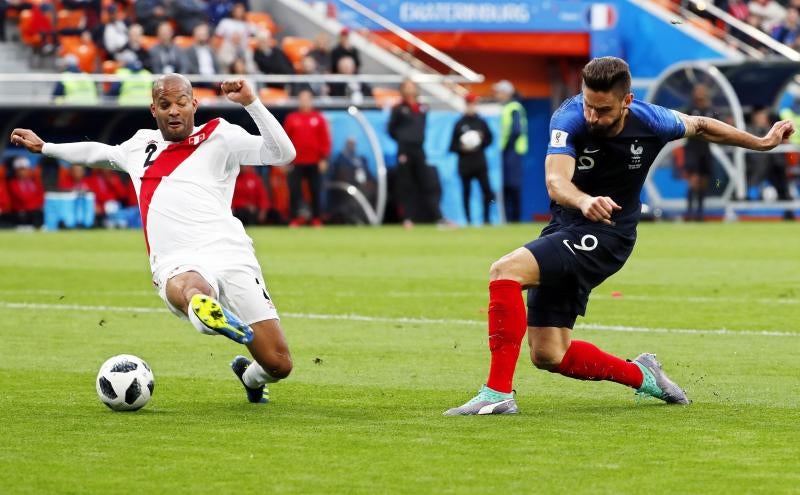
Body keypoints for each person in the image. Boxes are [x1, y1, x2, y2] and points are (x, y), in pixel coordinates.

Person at [444, 56, 794, 416]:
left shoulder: (652, 120)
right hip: (569, 226)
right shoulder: (570, 118)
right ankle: (644, 376)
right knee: (549, 354)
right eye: (588, 105)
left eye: (603, 109)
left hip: (609, 236)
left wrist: (762, 142)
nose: (593, 116)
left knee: (505, 271)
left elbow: (702, 125)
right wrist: (584, 200)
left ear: (626, 101)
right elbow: (555, 181)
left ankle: (496, 394)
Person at [11, 74, 298, 404]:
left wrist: (251, 103)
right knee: (192, 286)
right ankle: (203, 311)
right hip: (177, 258)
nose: (173, 111)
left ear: (194, 104)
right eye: (165, 105)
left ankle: (249, 376)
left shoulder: (222, 136)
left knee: (278, 364)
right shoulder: (138, 146)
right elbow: (96, 152)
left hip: (232, 254)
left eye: (180, 103)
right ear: (153, 109)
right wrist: (45, 146)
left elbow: (283, 153)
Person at [388, 79, 445, 228]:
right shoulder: (398, 109)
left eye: (412, 86)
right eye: (406, 87)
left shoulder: (422, 108)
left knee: (428, 183)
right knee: (406, 185)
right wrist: (403, 142)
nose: (409, 90)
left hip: (419, 149)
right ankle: (407, 218)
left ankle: (438, 217)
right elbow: (391, 130)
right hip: (404, 150)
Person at [283, 88, 331, 227]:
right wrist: (284, 160)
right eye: (302, 98)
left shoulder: (319, 118)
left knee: (315, 190)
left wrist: (323, 158)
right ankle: (294, 218)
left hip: (314, 161)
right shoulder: (292, 118)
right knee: (294, 190)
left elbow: (325, 140)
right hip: (296, 162)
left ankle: (316, 218)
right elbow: (285, 139)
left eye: (307, 99)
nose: (304, 101)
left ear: (311, 101)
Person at [449, 93, 494, 225]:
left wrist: (480, 141)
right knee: (466, 191)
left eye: (473, 104)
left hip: (479, 162)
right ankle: (468, 220)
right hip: (465, 163)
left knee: (486, 190)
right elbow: (452, 146)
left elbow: (489, 139)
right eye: (469, 104)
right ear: (465, 105)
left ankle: (487, 219)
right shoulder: (459, 123)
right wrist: (462, 148)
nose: (471, 107)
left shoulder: (481, 122)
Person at [747, 108, 794, 219]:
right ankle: (751, 211)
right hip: (758, 166)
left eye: (763, 116)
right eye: (759, 116)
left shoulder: (773, 130)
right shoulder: (750, 130)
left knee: (783, 188)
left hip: (776, 164)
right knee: (755, 187)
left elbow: (784, 145)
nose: (762, 119)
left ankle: (788, 213)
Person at [494, 79, 527, 223]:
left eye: (499, 92)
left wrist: (505, 147)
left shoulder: (513, 107)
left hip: (512, 151)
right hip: (508, 151)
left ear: (506, 93)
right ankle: (508, 219)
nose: (496, 95)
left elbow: (516, 130)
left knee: (513, 186)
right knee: (507, 186)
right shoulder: (506, 107)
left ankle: (515, 219)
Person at [683, 84, 715, 221]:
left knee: (704, 181)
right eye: (698, 91)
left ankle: (700, 213)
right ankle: (690, 213)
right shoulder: (690, 109)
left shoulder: (710, 110)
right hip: (692, 150)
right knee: (694, 180)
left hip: (705, 150)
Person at [327, 136, 376, 224]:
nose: (352, 146)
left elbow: (368, 174)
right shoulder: (341, 158)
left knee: (370, 190)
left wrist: (370, 182)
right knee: (356, 194)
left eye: (353, 144)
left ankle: (364, 217)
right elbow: (339, 174)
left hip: (364, 186)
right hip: (348, 186)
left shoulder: (361, 159)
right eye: (350, 144)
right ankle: (353, 217)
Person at [7, 156, 44, 227]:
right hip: (20, 213)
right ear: (15, 171)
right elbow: (22, 198)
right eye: (20, 170)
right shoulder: (12, 183)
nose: (22, 172)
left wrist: (36, 207)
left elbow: (40, 196)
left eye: (24, 169)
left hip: (34, 212)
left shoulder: (35, 182)